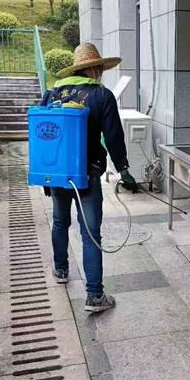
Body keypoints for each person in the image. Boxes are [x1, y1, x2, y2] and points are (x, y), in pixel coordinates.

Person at [40, 42, 137, 313]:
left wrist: (47, 176)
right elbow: (113, 135)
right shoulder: (102, 95)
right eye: (100, 69)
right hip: (87, 173)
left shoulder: (53, 93)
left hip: (58, 173)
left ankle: (61, 270)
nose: (101, 74)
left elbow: (43, 135)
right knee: (90, 233)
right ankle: (94, 295)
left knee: (60, 222)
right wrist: (124, 169)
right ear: (93, 69)